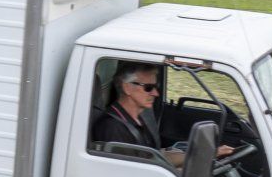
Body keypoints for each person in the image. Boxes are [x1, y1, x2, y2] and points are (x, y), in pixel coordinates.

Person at [92, 63, 233, 168]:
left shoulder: (138, 118)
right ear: (127, 87)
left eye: (156, 87)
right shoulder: (112, 128)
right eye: (148, 88)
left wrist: (207, 154)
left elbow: (157, 157)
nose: (156, 93)